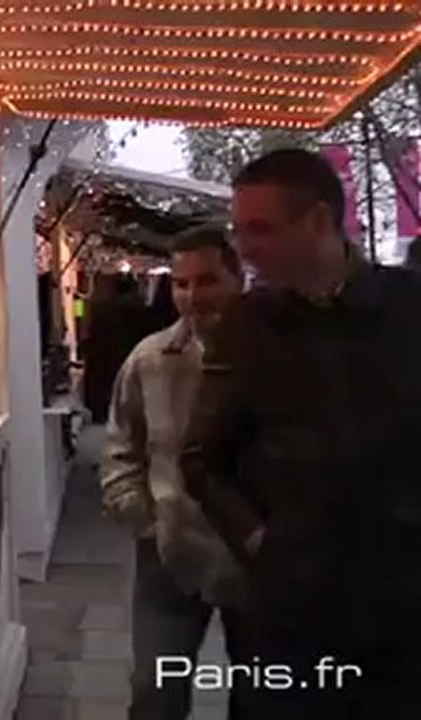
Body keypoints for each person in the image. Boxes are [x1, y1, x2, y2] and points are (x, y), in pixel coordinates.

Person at [182, 148, 421, 717]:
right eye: (239, 230)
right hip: (294, 611)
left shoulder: (409, 308)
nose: (244, 248)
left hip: (406, 606)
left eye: (260, 229)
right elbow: (201, 458)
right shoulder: (248, 324)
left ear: (317, 220)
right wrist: (259, 540)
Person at [101, 226, 247, 720]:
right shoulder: (150, 360)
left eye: (207, 281)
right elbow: (120, 447)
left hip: (255, 560)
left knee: (265, 693)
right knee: (155, 692)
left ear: (238, 277)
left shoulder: (275, 355)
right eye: (181, 284)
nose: (192, 296)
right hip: (171, 552)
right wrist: (145, 521)